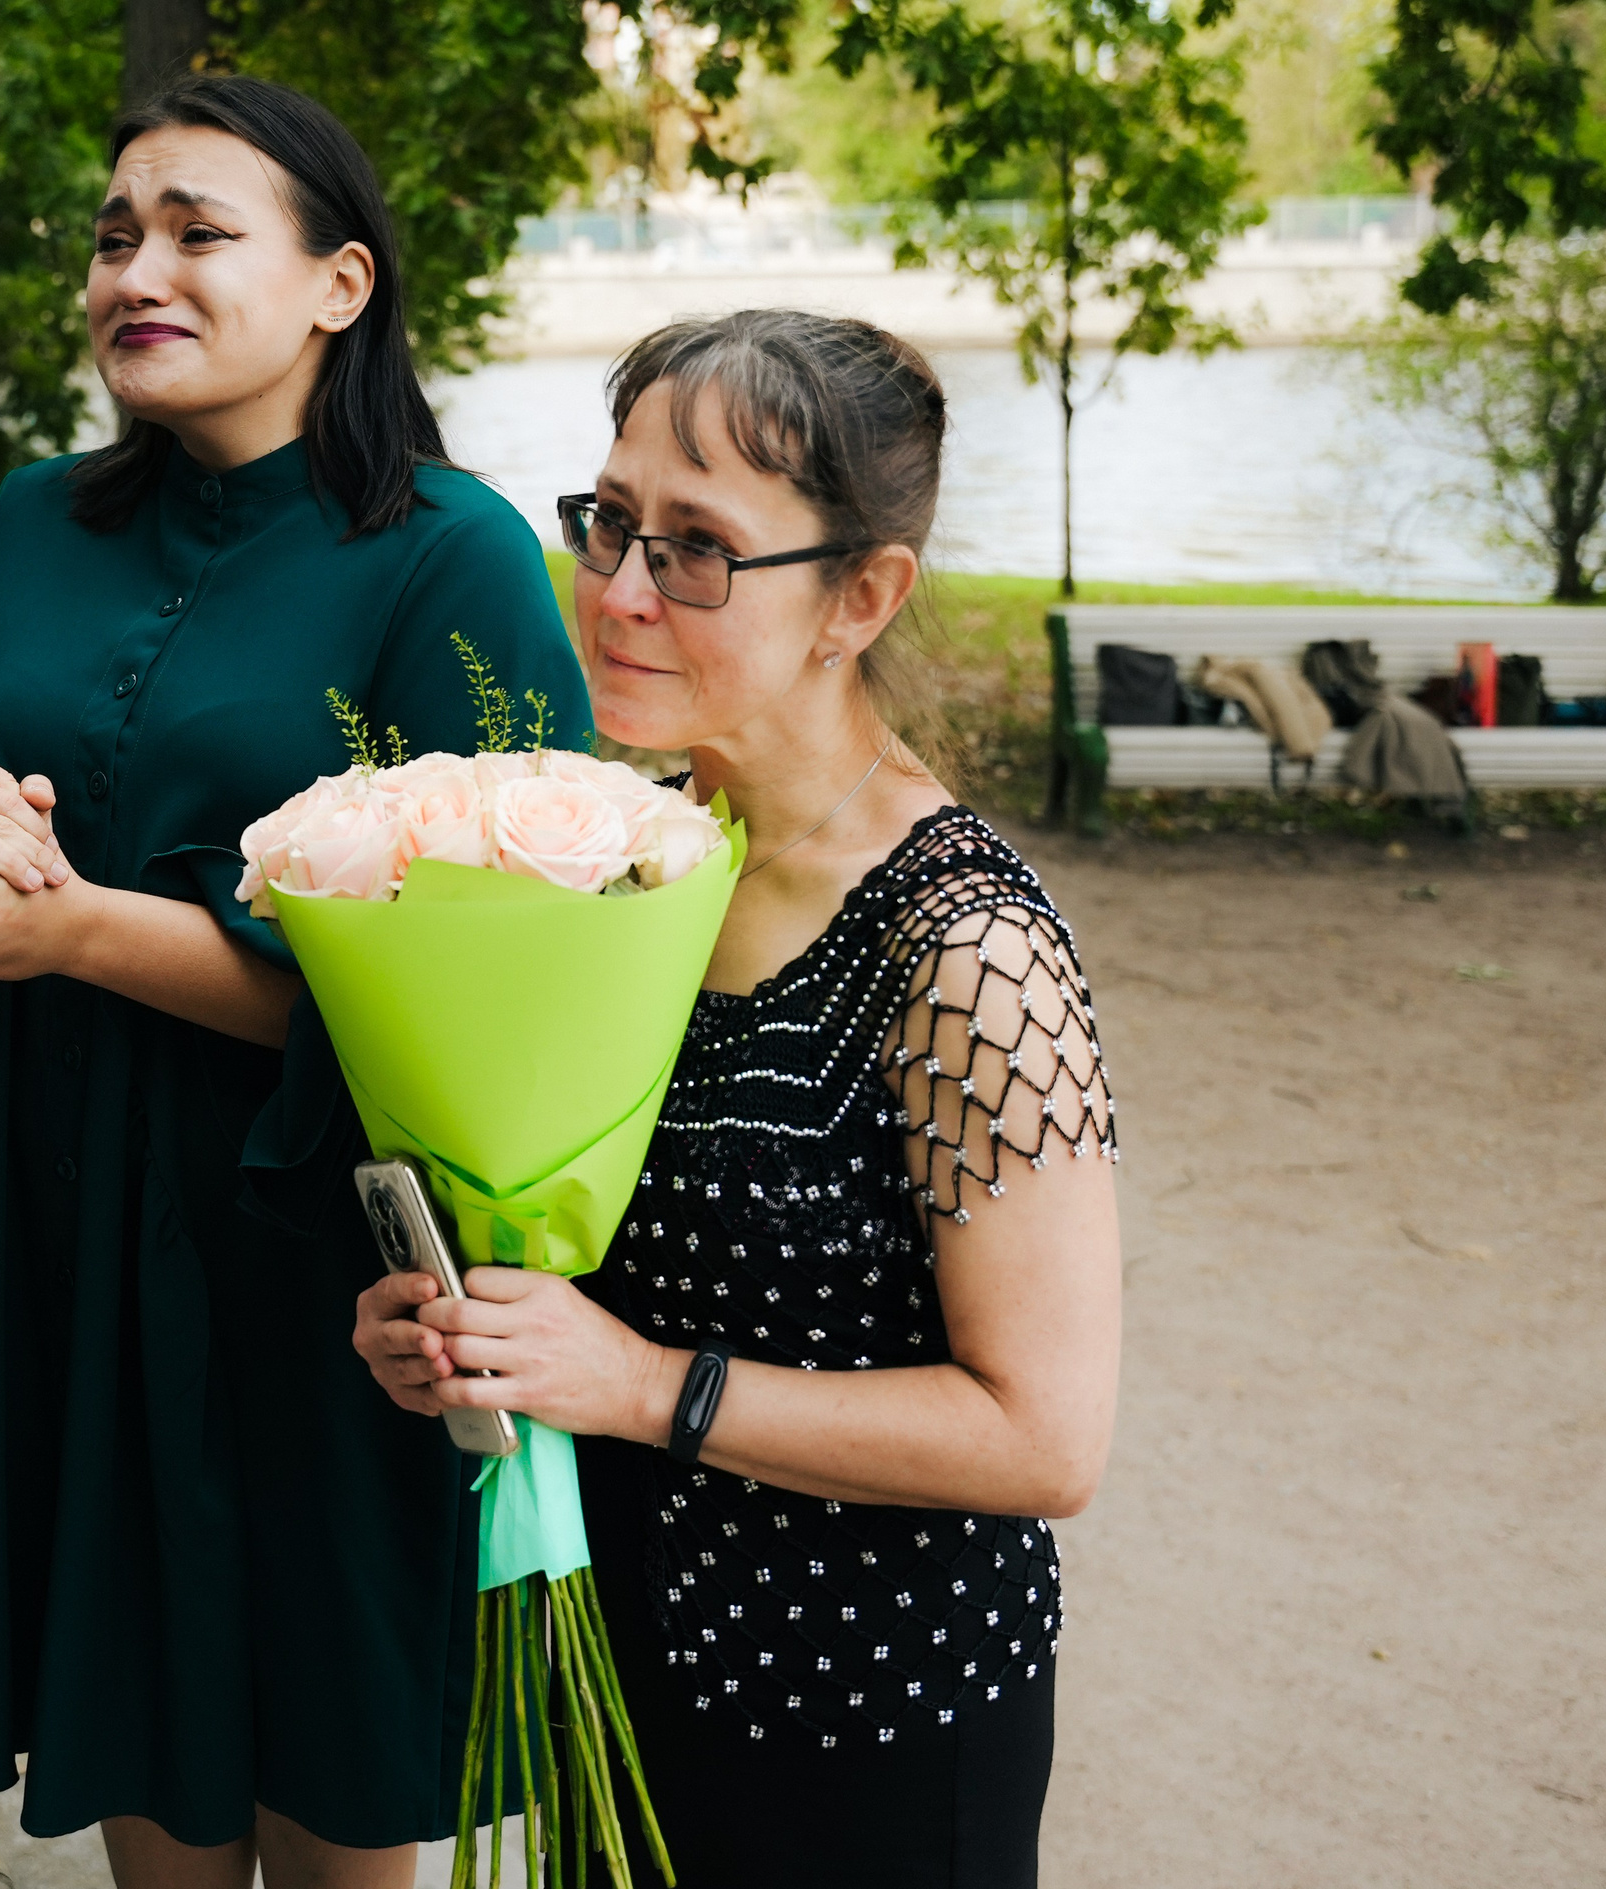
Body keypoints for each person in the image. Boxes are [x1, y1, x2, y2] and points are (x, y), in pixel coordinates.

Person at [0, 75, 585, 1889]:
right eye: (118, 232)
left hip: (314, 1262)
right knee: (129, 1718)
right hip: (45, 1229)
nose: (141, 265)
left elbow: (488, 993)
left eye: (202, 231)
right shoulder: (36, 521)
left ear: (340, 286)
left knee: (333, 1758)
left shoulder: (457, 559)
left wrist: (75, 929)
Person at [353, 310, 1123, 1889]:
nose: (622, 590)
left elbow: (1046, 1437)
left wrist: (641, 1384)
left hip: (869, 1730)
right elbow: (590, 1259)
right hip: (622, 1677)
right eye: (612, 523)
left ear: (864, 593)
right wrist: (470, 1331)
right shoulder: (627, 854)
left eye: (699, 548)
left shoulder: (967, 950)